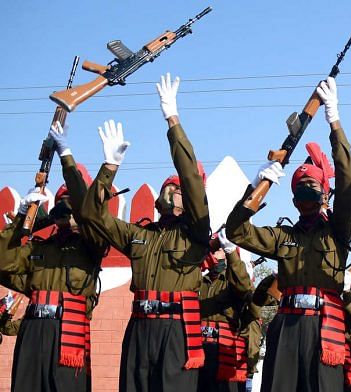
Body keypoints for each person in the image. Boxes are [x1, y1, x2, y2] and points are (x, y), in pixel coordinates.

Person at [226, 76, 351, 392]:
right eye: (300, 191)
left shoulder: (337, 230)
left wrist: (334, 122)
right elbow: (237, 232)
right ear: (294, 200)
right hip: (286, 323)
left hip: (325, 322)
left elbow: (348, 179)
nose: (306, 196)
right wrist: (255, 187)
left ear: (326, 193)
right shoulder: (284, 236)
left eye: (313, 188)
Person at [81, 73, 210, 391]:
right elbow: (91, 215)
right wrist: (109, 167)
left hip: (177, 330)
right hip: (139, 327)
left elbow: (190, 177)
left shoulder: (195, 231)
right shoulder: (142, 235)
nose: (173, 190)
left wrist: (172, 118)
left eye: (178, 189)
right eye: (169, 186)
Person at [0, 123, 107, 391]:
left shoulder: (91, 246)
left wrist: (65, 156)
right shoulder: (40, 248)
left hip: (69, 331)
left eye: (74, 205)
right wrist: (23, 219)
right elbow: (4, 262)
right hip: (34, 331)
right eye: (64, 203)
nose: (68, 211)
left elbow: (93, 221)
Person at [198, 230, 255, 392]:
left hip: (223, 347)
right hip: (200, 345)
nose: (213, 251)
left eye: (219, 248)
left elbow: (244, 287)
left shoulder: (233, 281)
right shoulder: (202, 281)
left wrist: (231, 254)